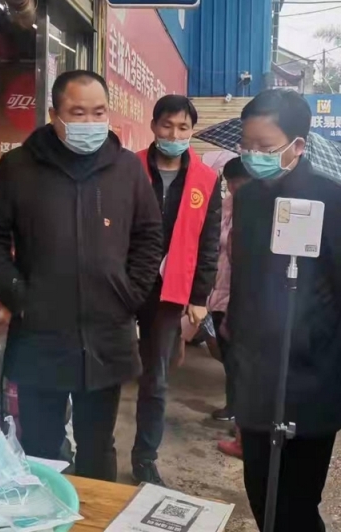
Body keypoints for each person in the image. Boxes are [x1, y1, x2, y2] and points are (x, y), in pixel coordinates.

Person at [0, 70, 164, 482]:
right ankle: (47, 511)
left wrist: (130, 293)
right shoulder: (19, 166)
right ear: (54, 115)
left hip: (106, 333)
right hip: (41, 333)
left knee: (98, 444)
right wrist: (18, 294)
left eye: (99, 112)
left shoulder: (126, 169)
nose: (90, 122)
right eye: (78, 113)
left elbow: (150, 235)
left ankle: (95, 514)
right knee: (40, 445)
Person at [228, 89, 341, 531]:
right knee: (261, 493)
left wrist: (323, 344)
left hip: (313, 376)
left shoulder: (335, 201)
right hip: (257, 376)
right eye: (247, 145)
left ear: (297, 144)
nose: (253, 155)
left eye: (265, 146)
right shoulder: (248, 199)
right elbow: (244, 279)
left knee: (295, 506)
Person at [133, 95, 221, 485]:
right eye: (167, 125)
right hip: (124, 284)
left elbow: (209, 242)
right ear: (154, 125)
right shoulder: (129, 167)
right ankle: (97, 448)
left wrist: (200, 297)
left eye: (183, 127)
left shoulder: (206, 179)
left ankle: (145, 457)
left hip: (170, 290)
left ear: (191, 131)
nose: (174, 134)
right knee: (109, 367)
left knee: (156, 378)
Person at [209, 157, 253, 459]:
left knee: (241, 359)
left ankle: (242, 420)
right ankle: (233, 406)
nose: (233, 188)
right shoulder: (226, 206)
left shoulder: (257, 209)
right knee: (227, 355)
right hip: (218, 289)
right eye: (229, 183)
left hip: (242, 293)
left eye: (238, 182)